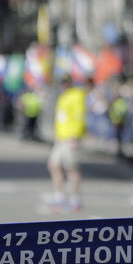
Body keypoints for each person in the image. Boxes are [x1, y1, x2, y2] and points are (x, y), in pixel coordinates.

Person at [49, 75, 86, 212]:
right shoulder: (63, 96)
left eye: (65, 82)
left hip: (70, 138)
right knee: (54, 165)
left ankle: (75, 199)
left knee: (72, 169)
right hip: (61, 138)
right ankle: (59, 197)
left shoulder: (76, 96)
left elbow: (78, 116)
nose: (63, 85)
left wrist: (75, 136)